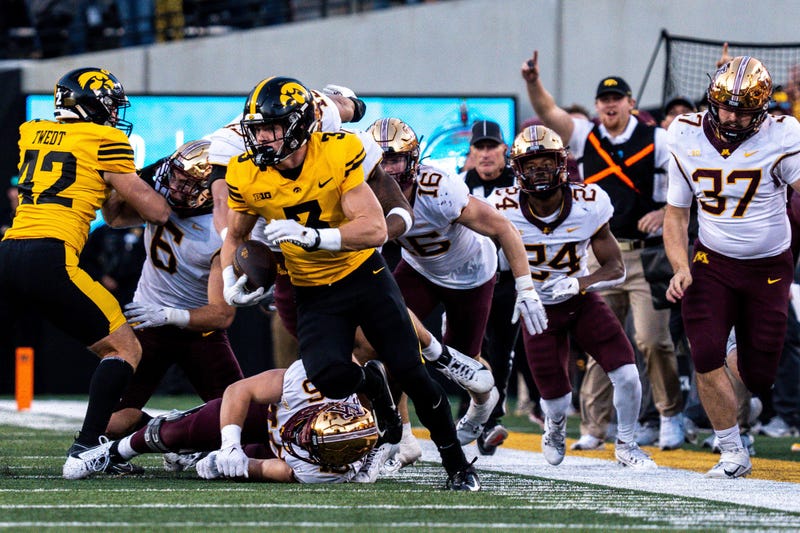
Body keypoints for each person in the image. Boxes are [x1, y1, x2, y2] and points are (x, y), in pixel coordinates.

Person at [219, 76, 480, 490]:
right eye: (257, 130)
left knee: (412, 373)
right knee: (328, 377)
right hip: (311, 290)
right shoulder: (246, 173)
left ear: (299, 126)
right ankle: (372, 383)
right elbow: (235, 234)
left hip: (363, 276)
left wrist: (316, 237)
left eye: (271, 128)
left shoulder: (338, 150)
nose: (262, 139)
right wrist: (229, 278)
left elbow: (375, 229)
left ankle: (458, 466)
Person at [0, 67, 170, 479]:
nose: (114, 114)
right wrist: (163, 182)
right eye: (110, 105)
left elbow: (110, 214)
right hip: (51, 256)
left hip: (8, 252)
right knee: (125, 349)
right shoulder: (106, 140)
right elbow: (157, 211)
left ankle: (103, 438)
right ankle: (89, 445)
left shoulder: (31, 132)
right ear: (90, 104)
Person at [522, 51, 685, 452]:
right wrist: (533, 83)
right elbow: (549, 113)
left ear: (631, 102)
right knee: (598, 341)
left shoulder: (658, 139)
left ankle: (669, 414)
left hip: (646, 254)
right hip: (598, 255)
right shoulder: (585, 135)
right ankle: (595, 426)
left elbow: (686, 185)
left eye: (617, 98)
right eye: (604, 99)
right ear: (596, 105)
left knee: (652, 340)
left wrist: (664, 212)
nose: (610, 105)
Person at [367, 117, 547, 449]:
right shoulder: (364, 190)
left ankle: (482, 408)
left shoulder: (438, 188)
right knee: (387, 339)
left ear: (412, 159)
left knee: (465, 358)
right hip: (420, 268)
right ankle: (400, 435)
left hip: (470, 273)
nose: (387, 170)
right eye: (380, 161)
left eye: (394, 159)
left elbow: (503, 228)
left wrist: (526, 287)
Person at [488, 125, 656, 469]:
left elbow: (616, 268)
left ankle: (627, 444)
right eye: (530, 164)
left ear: (561, 163)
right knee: (556, 398)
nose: (539, 171)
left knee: (627, 373)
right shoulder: (501, 206)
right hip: (536, 309)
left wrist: (581, 283)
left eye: (546, 162)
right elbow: (480, 259)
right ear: (517, 169)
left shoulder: (588, 203)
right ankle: (554, 426)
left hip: (580, 303)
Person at [664, 55, 800, 478]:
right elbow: (676, 213)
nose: (731, 117)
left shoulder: (783, 133)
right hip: (712, 260)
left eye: (742, 110)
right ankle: (732, 451)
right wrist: (680, 266)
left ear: (762, 109)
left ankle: (745, 378)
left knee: (759, 376)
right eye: (724, 107)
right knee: (704, 353)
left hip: (769, 266)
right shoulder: (683, 132)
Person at [102, 139, 245, 439]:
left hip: (199, 330)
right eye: (175, 176)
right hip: (148, 320)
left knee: (241, 422)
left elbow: (222, 315)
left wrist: (168, 315)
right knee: (109, 425)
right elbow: (114, 217)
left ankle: (177, 435)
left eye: (186, 183)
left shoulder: (221, 230)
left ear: (209, 188)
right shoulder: (160, 197)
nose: (175, 187)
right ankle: (160, 432)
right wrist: (117, 181)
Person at [84, 360, 382, 483]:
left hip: (276, 452)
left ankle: (198, 454)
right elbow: (239, 390)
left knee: (233, 462)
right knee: (176, 434)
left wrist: (226, 464)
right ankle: (112, 452)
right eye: (306, 430)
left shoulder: (327, 472)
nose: (298, 437)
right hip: (267, 413)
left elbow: (269, 469)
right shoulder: (312, 385)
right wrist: (229, 445)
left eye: (308, 444)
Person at [459, 119, 525, 454]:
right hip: (464, 281)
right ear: (471, 152)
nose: (485, 154)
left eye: (491, 146)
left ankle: (490, 420)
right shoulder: (456, 185)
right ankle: (469, 413)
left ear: (504, 150)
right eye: (479, 147)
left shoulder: (520, 185)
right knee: (464, 349)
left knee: (500, 351)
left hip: (506, 280)